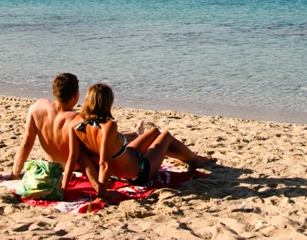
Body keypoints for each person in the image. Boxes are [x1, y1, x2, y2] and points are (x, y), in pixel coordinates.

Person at [67, 83, 213, 197]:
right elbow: (105, 163)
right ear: (108, 103)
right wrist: (102, 194)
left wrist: (63, 187)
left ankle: (184, 155)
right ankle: (195, 160)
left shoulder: (76, 126)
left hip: (126, 161)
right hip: (139, 172)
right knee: (166, 136)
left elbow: (73, 157)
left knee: (155, 132)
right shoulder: (108, 126)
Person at [11, 73, 143, 192]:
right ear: (76, 95)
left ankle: (133, 135)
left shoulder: (37, 107)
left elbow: (26, 144)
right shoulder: (77, 120)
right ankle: (133, 136)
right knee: (88, 151)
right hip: (76, 167)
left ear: (53, 92)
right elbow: (104, 139)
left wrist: (14, 174)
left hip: (56, 166)